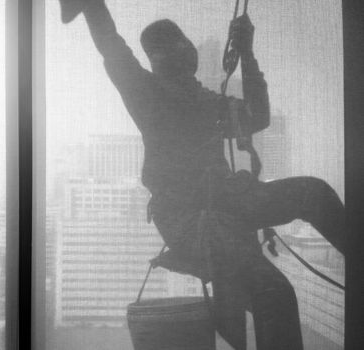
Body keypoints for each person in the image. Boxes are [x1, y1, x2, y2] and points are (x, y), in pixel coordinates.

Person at [69, 1, 346, 349]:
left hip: (226, 201)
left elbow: (257, 117)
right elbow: (109, 42)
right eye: (171, 46)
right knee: (272, 291)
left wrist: (247, 52)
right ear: (158, 60)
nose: (181, 49)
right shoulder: (147, 93)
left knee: (313, 194)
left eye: (181, 42)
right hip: (191, 218)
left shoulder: (206, 102)